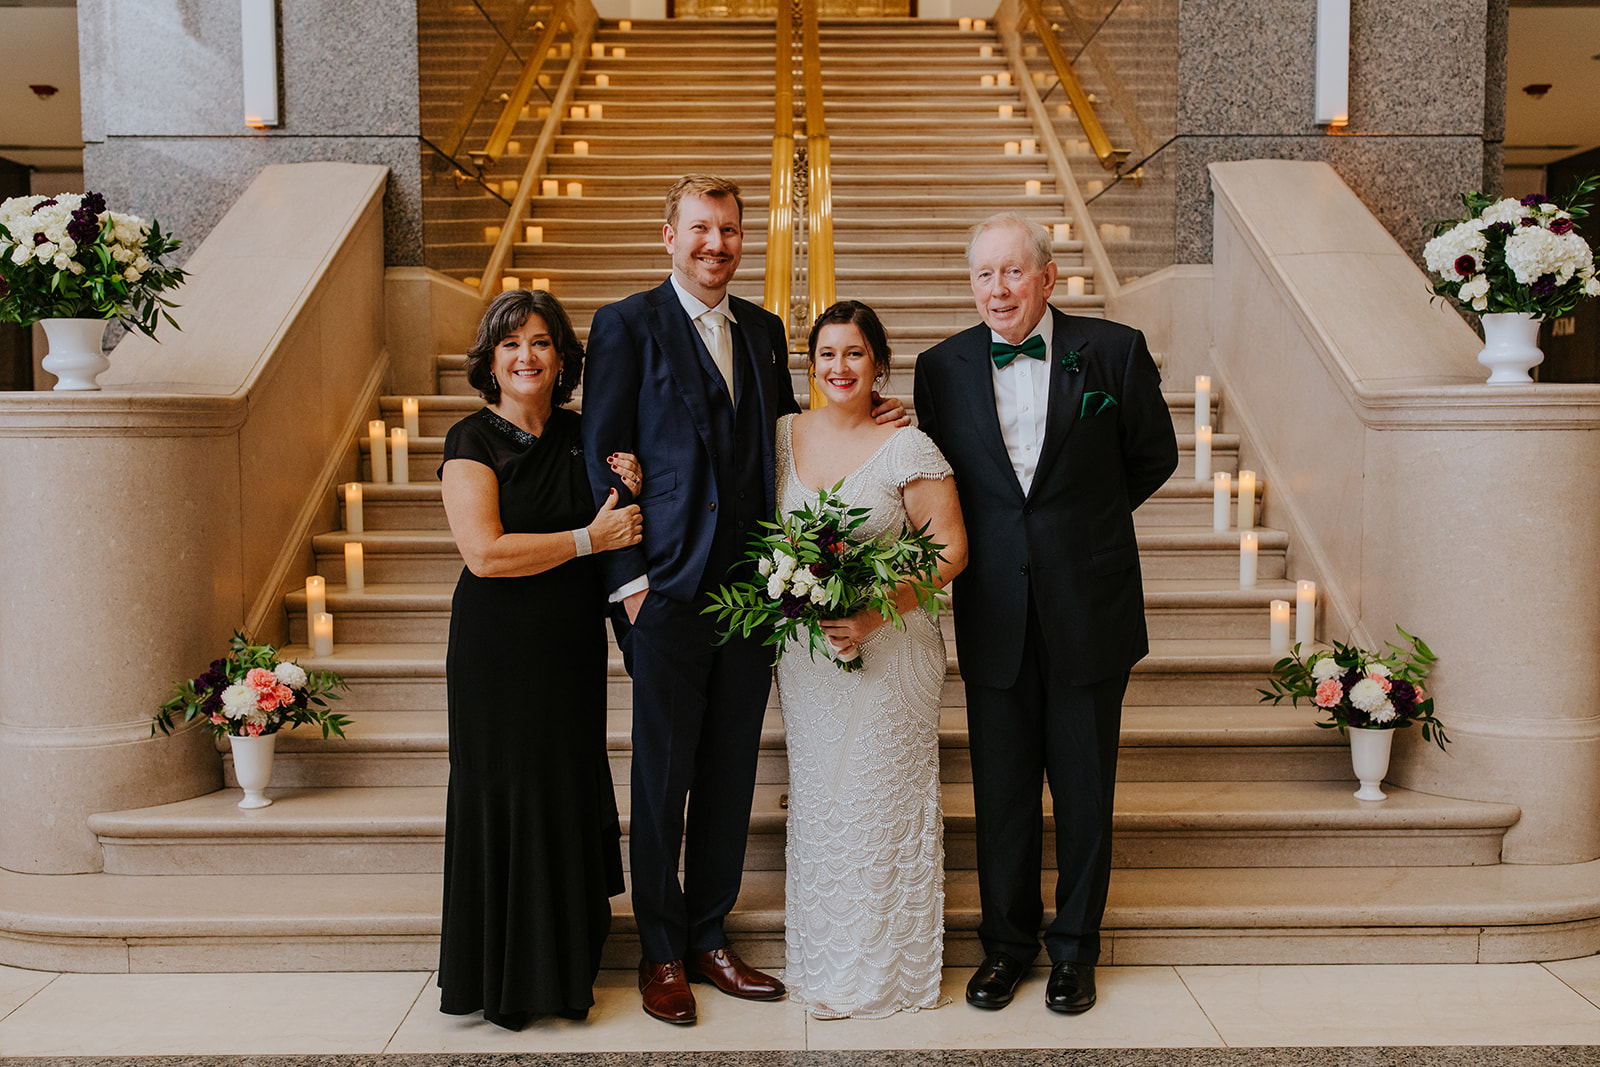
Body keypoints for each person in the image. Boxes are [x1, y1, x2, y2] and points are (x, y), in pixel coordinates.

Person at [580, 175, 906, 1025]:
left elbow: (795, 439)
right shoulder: (625, 324)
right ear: (670, 235)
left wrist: (870, 413)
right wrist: (631, 588)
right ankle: (660, 951)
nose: (716, 244)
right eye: (701, 229)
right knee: (662, 779)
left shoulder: (762, 331)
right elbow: (601, 451)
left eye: (728, 230)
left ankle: (709, 935)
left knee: (728, 773)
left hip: (755, 597)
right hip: (665, 595)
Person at [912, 214, 1178, 1016]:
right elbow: (937, 475)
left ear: (1048, 277)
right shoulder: (940, 367)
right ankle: (1006, 945)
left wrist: (1083, 526)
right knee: (1003, 792)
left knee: (1085, 790)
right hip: (994, 605)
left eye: (1012, 272)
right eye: (983, 274)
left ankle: (1074, 950)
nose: (997, 290)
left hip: (1089, 603)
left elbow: (1154, 454)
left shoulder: (1114, 350)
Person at [436, 288, 645, 1029]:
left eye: (541, 342)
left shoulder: (586, 434)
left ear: (562, 358)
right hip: (498, 650)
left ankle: (565, 966)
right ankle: (505, 977)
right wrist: (591, 538)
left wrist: (629, 483)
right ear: (490, 362)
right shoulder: (470, 439)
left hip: (570, 646)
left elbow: (626, 515)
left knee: (564, 789)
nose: (527, 356)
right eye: (510, 343)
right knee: (508, 793)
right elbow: (485, 553)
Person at [776, 301, 967, 1020]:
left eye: (855, 353)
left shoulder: (907, 445)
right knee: (825, 802)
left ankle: (883, 974)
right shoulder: (782, 435)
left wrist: (870, 611)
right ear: (811, 363)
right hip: (808, 659)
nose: (840, 367)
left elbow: (951, 548)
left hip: (892, 648)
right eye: (827, 354)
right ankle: (827, 964)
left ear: (879, 364)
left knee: (880, 804)